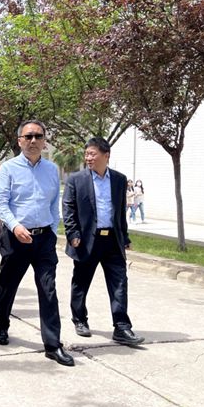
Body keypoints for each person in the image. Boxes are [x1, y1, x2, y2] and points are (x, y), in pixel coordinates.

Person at [0, 120, 73, 367]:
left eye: (38, 136)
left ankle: (52, 344)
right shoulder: (8, 169)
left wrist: (52, 230)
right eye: (28, 136)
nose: (33, 140)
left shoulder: (51, 169)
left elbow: (53, 203)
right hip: (15, 237)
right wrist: (16, 226)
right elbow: (0, 204)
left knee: (48, 289)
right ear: (20, 141)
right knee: (8, 285)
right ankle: (1, 324)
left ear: (44, 140)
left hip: (44, 240)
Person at [62, 137, 145, 346]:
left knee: (119, 283)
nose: (88, 158)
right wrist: (73, 234)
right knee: (81, 283)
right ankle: (80, 320)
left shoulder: (119, 179)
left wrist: (125, 237)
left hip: (113, 241)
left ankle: (122, 327)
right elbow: (69, 209)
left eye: (92, 154)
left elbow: (120, 212)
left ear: (106, 155)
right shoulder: (76, 180)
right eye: (86, 154)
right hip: (86, 241)